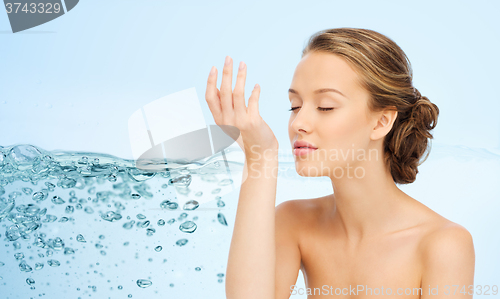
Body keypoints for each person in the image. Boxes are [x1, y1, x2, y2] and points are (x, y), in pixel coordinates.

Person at [205, 27, 475, 299]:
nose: (298, 123)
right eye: (295, 106)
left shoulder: (442, 245)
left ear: (381, 121)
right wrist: (260, 157)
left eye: (325, 106)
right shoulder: (293, 222)